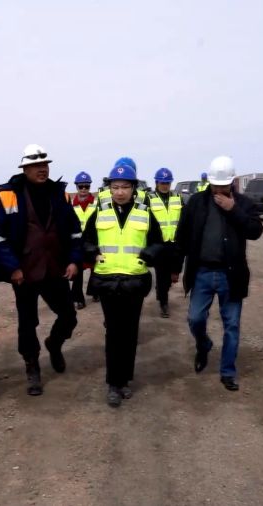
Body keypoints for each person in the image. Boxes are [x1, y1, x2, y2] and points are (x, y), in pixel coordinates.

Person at [0, 144, 82, 396]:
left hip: (55, 269)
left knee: (69, 316)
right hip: (25, 273)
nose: (42, 169)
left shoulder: (60, 195)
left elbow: (75, 232)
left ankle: (54, 343)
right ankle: (32, 367)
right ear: (25, 169)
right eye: (36, 165)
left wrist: (74, 260)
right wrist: (12, 267)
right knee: (27, 323)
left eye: (45, 165)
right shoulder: (7, 196)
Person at [174, 156, 263, 391]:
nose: (219, 190)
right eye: (215, 185)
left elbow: (255, 231)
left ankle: (227, 372)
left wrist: (233, 210)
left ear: (232, 181)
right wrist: (175, 267)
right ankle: (203, 344)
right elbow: (182, 235)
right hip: (202, 272)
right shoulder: (196, 202)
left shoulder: (243, 204)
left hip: (230, 275)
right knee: (195, 319)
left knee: (231, 325)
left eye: (223, 185)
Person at [82, 163, 166, 407]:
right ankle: (113, 383)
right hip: (108, 280)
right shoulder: (100, 212)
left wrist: (148, 255)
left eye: (125, 187)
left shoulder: (144, 213)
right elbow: (86, 240)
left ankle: (125, 379)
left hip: (134, 281)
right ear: (109, 189)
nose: (120, 192)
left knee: (130, 333)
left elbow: (158, 242)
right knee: (113, 332)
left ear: (133, 188)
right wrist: (92, 253)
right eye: (115, 187)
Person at [148, 168, 184, 318]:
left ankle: (162, 290)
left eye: (167, 183)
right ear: (157, 183)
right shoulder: (149, 199)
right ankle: (164, 302)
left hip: (175, 244)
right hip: (159, 244)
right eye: (162, 183)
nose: (165, 186)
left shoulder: (178, 198)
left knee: (172, 275)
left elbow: (183, 219)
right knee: (162, 275)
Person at [70, 171, 97, 309]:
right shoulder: (70, 205)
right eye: (81, 186)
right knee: (78, 272)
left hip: (93, 242)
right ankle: (78, 298)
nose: (84, 189)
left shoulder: (97, 204)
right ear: (76, 187)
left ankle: (95, 292)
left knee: (96, 269)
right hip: (77, 243)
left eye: (87, 186)